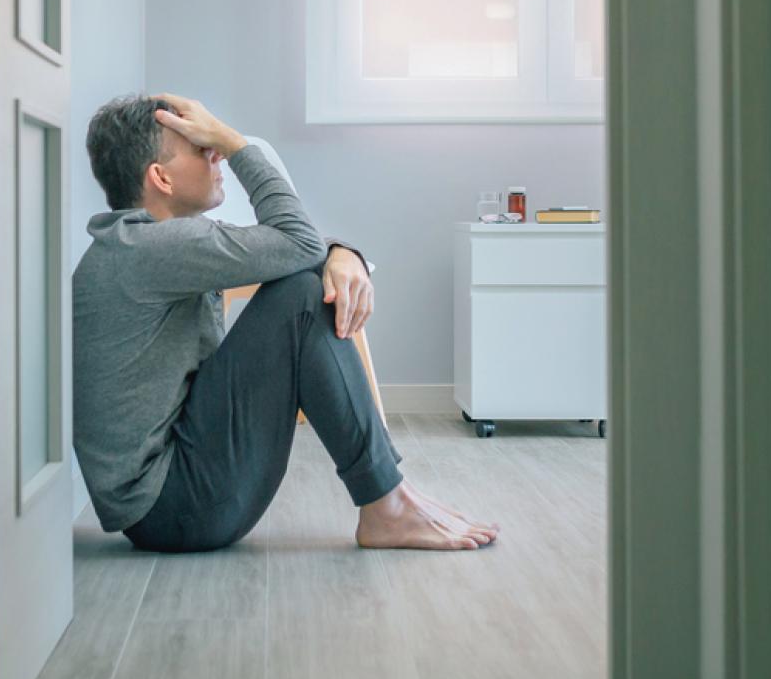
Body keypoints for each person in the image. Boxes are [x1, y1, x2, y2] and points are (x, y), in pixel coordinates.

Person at [72, 92, 499, 553]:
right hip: (176, 509)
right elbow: (296, 245)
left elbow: (288, 249)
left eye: (213, 144)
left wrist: (340, 253)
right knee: (301, 296)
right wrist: (236, 143)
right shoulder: (154, 249)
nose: (214, 153)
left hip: (174, 499)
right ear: (161, 178)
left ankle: (391, 496)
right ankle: (386, 502)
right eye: (201, 147)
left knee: (302, 283)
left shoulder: (141, 245)